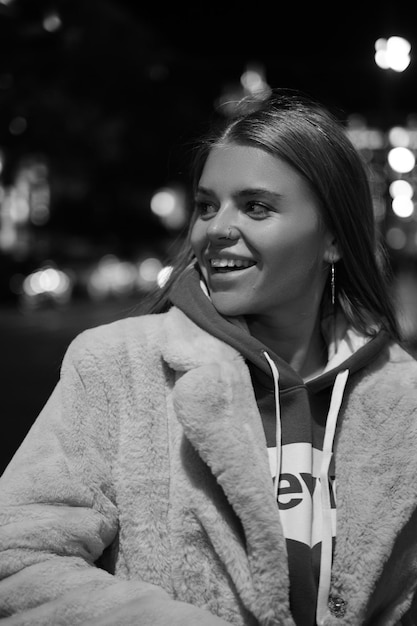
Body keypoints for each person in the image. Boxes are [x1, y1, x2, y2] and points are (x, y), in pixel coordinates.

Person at [0, 88, 416, 626]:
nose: (215, 228)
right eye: (205, 205)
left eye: (256, 206)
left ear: (333, 237)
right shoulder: (115, 365)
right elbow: (18, 558)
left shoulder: (403, 397)